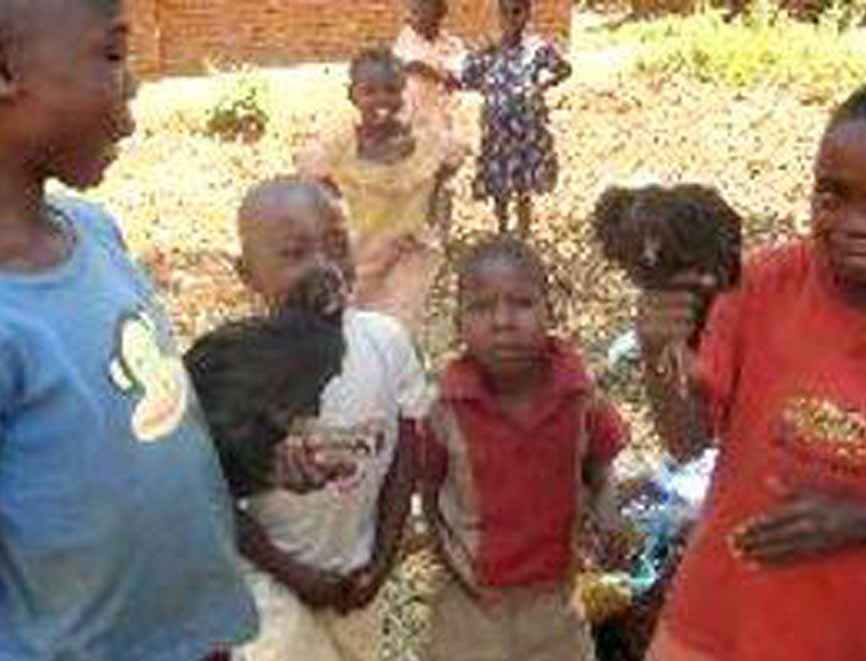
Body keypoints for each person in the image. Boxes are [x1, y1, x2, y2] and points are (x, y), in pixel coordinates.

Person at [639, 73, 866, 661]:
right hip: (707, 621)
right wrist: (658, 353)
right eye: (831, 195)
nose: (855, 223)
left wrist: (853, 523)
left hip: (837, 638)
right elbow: (688, 441)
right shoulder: (763, 283)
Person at [0, 1, 257, 658]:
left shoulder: (94, 233)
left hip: (193, 638)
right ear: (4, 70)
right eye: (112, 54)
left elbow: (139, 420)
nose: (133, 81)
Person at [230, 176, 432, 661]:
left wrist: (382, 560)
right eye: (294, 253)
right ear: (247, 274)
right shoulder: (237, 373)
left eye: (338, 244)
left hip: (354, 575)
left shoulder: (387, 344)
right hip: (268, 585)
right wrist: (294, 574)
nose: (323, 265)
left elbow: (405, 457)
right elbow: (214, 499)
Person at [419, 235, 629, 660]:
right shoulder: (444, 407)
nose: (503, 321)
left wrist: (607, 510)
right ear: (458, 321)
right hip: (470, 606)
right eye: (481, 307)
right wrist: (449, 560)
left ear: (551, 310)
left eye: (522, 304)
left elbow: (601, 463)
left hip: (556, 602)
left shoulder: (579, 394)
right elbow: (427, 490)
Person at [297, 49, 462, 334]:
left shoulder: (425, 143)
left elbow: (448, 165)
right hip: (358, 254)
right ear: (352, 95)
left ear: (403, 93)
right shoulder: (340, 144)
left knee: (396, 330)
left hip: (407, 255)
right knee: (355, 327)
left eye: (391, 90)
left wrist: (430, 207)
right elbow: (314, 178)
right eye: (369, 91)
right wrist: (337, 212)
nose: (381, 100)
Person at [460, 0, 572, 236]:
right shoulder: (490, 50)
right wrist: (488, 90)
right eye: (506, 13)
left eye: (517, 12)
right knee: (499, 185)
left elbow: (563, 69)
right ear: (499, 15)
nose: (511, 19)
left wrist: (541, 86)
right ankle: (502, 230)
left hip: (526, 130)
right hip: (497, 132)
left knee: (523, 185)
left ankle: (523, 233)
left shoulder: (536, 49)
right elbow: (466, 77)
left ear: (527, 14)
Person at [393, 0, 466, 143]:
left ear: (437, 13)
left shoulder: (452, 44)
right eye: (413, 11)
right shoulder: (405, 41)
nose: (410, 17)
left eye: (418, 10)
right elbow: (411, 65)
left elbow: (459, 79)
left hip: (443, 122)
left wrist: (435, 73)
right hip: (413, 122)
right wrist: (440, 74)